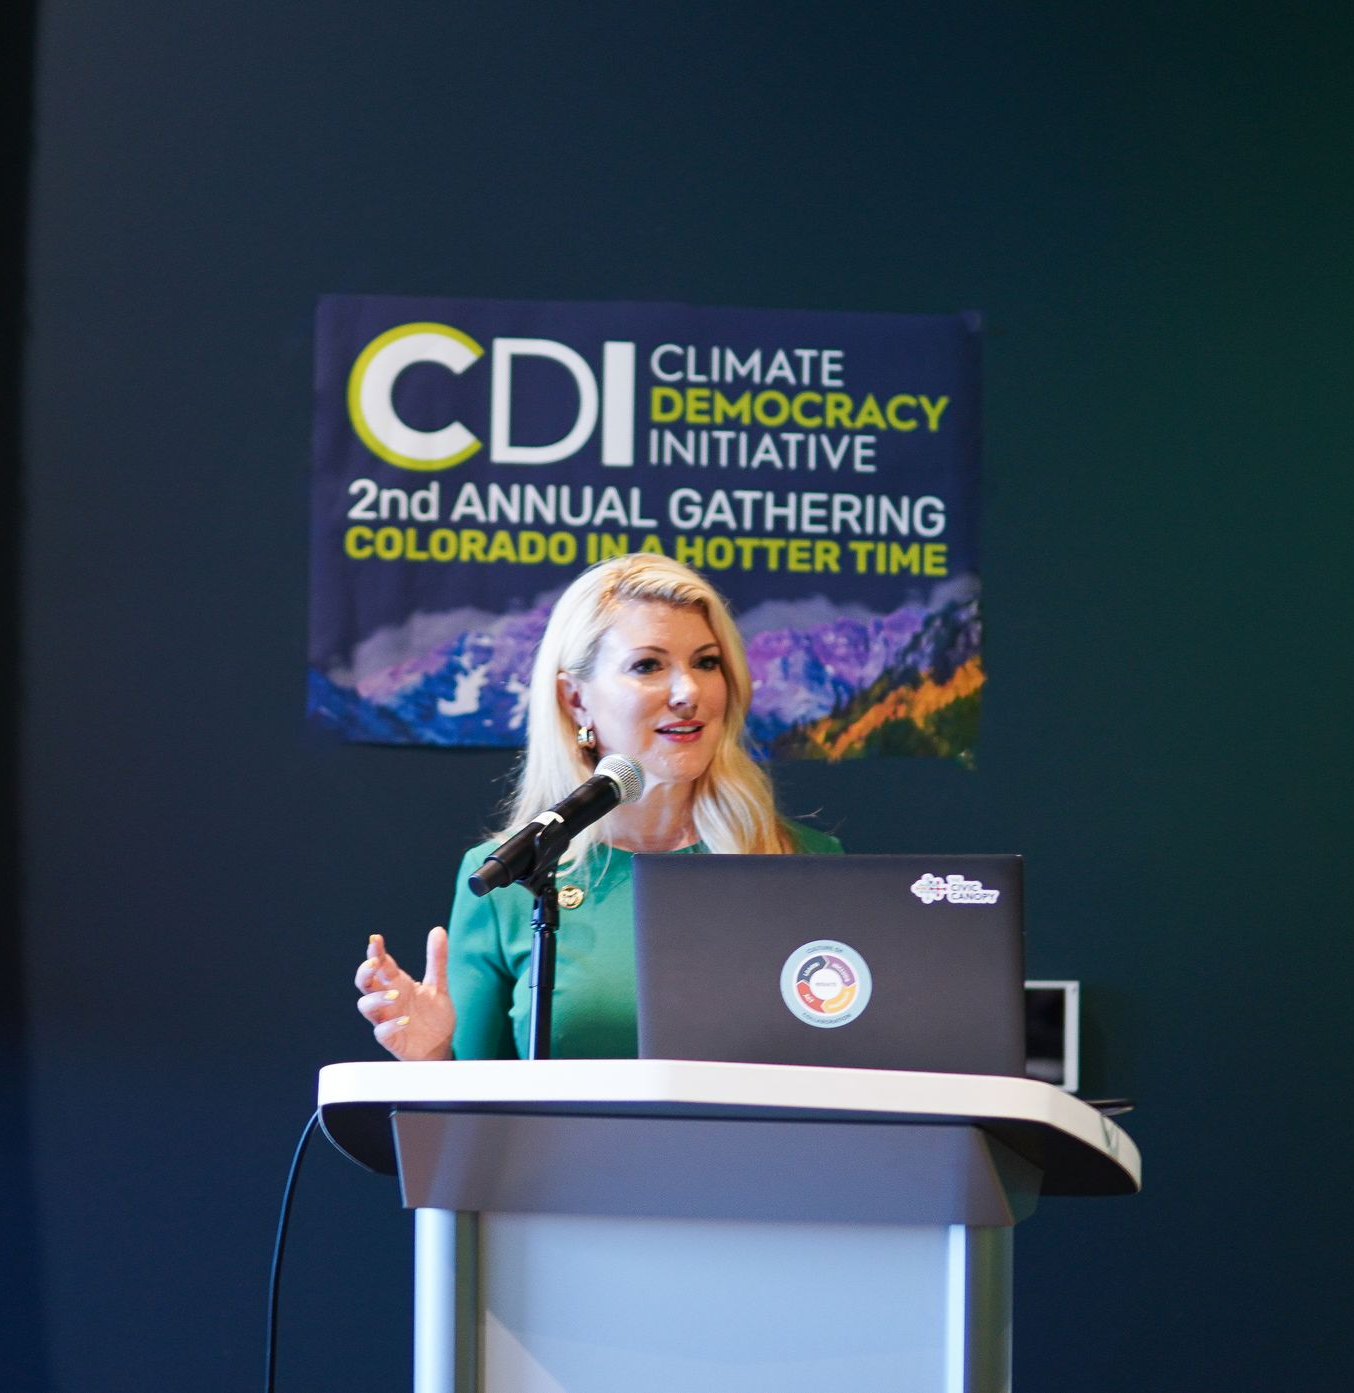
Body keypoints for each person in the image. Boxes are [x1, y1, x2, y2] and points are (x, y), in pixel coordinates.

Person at [354, 553, 841, 1061]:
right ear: (575, 700)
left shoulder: (805, 862)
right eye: (648, 665)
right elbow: (472, 1123)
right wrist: (432, 1056)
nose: (689, 691)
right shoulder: (506, 876)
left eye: (706, 662)